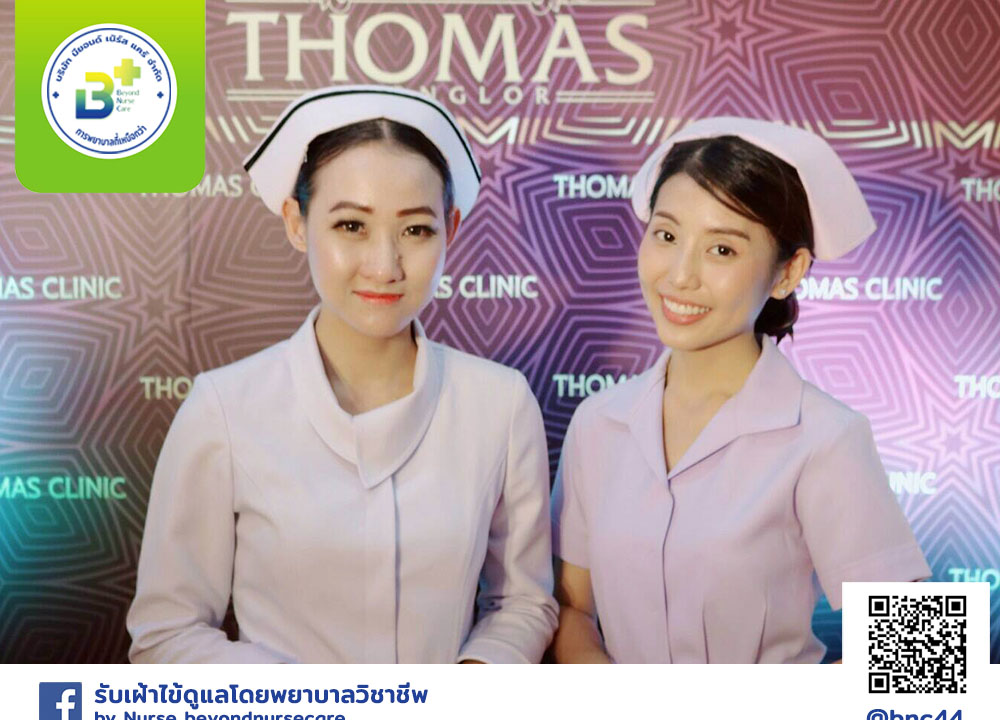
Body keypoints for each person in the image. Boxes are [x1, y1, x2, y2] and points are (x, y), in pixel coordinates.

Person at [127, 85, 558, 663]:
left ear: (451, 230)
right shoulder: (225, 408)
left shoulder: (499, 405)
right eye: (352, 226)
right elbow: (167, 632)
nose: (384, 265)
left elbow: (522, 602)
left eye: (416, 230)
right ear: (297, 223)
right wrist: (318, 702)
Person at [550, 117, 931, 663]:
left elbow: (924, 667)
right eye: (667, 236)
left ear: (788, 273)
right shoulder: (598, 422)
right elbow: (572, 610)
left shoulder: (825, 437)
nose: (680, 276)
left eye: (722, 250)